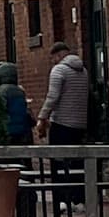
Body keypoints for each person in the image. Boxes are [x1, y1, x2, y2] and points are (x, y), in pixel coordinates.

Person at [36, 42, 90, 202]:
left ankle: (61, 198)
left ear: (58, 55)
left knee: (59, 163)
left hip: (61, 123)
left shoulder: (59, 70)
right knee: (77, 163)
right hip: (80, 124)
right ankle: (78, 198)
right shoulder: (83, 71)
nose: (53, 61)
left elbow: (52, 97)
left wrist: (42, 117)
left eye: (53, 58)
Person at [0, 63, 35, 143]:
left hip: (8, 129)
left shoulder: (1, 90)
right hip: (23, 129)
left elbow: (0, 109)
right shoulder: (20, 90)